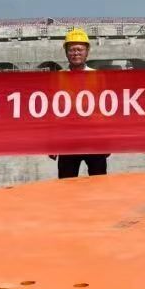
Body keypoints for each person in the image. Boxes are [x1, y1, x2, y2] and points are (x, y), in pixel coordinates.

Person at [53, 28, 109, 178]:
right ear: (66, 52)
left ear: (87, 51)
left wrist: (107, 141)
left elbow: (106, 110)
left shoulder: (98, 76)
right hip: (68, 140)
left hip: (95, 139)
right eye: (72, 50)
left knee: (99, 182)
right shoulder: (58, 77)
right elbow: (52, 112)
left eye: (79, 49)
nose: (76, 53)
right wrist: (53, 144)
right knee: (67, 183)